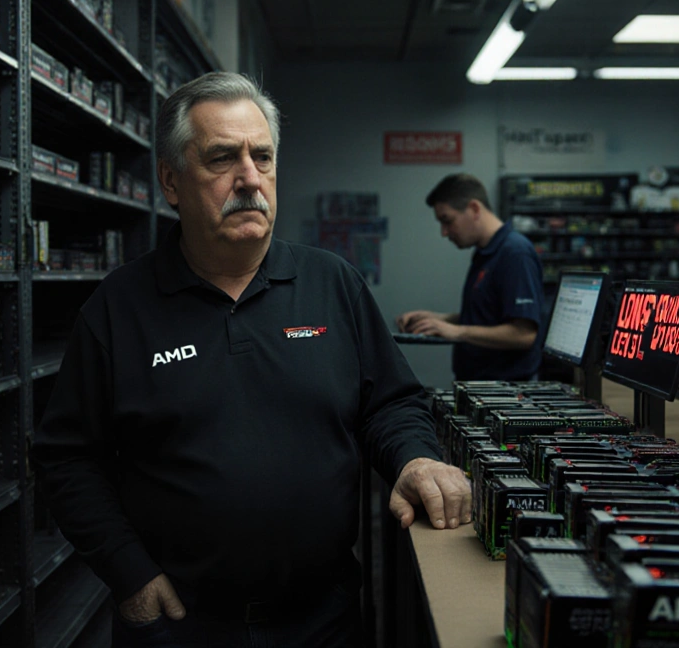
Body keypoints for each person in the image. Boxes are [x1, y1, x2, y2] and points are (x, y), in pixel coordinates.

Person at [32, 72, 470, 648]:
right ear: (170, 180)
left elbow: (390, 403)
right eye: (221, 158)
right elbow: (67, 460)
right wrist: (129, 573)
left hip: (325, 620)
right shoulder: (117, 310)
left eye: (262, 157)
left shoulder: (331, 284)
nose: (249, 178)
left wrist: (415, 459)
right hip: (179, 626)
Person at [397, 174, 545, 381]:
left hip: (506, 391)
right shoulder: (485, 254)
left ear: (474, 209)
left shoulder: (515, 253)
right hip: (479, 386)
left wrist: (457, 331)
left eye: (447, 221)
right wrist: (438, 320)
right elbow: (489, 316)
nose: (444, 232)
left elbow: (524, 335)